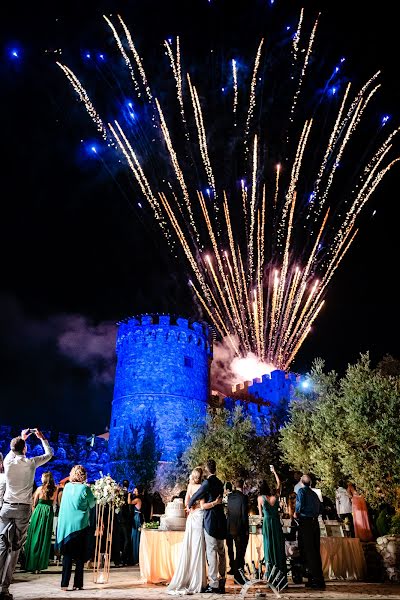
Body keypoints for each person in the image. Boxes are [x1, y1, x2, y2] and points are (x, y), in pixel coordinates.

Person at [0, 428, 53, 600]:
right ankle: (4, 589)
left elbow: (13, 450)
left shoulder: (8, 462)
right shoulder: (31, 463)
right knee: (15, 549)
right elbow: (49, 454)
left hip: (7, 508)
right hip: (22, 509)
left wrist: (21, 438)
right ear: (25, 449)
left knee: (1, 546)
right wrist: (41, 437)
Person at [188, 458, 227, 594]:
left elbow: (197, 495)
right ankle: (223, 580)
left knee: (211, 552)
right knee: (222, 552)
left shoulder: (207, 482)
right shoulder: (220, 483)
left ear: (206, 469)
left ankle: (214, 584)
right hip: (221, 521)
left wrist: (189, 504)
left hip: (210, 521)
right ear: (215, 468)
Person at [167, 466, 207, 595]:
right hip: (200, 516)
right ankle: (198, 581)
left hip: (192, 518)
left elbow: (186, 504)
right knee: (198, 548)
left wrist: (191, 507)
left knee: (189, 547)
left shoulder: (190, 487)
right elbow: (202, 504)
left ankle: (188, 578)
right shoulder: (203, 487)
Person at [56, 464, 96, 591]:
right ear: (84, 476)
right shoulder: (85, 489)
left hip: (67, 528)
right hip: (80, 527)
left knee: (67, 556)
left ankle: (64, 584)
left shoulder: (67, 487)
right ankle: (78, 584)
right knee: (79, 557)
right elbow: (92, 503)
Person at [294, 473, 325, 590]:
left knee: (308, 551)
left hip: (305, 522)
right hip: (315, 523)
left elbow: (299, 504)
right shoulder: (314, 494)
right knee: (316, 551)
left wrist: (296, 513)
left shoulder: (301, 491)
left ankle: (314, 580)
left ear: (302, 482)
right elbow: (321, 508)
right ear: (310, 483)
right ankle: (318, 579)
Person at [257, 467, 287, 586]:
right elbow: (279, 484)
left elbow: (260, 516)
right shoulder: (276, 496)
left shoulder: (260, 498)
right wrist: (274, 472)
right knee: (278, 548)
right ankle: (281, 577)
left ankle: (271, 576)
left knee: (269, 548)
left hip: (267, 524)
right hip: (276, 523)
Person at [24, 471, 57, 573]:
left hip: (38, 513)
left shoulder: (39, 489)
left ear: (45, 479)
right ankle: (39, 566)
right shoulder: (55, 490)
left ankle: (32, 564)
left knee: (35, 538)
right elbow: (54, 503)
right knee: (44, 539)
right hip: (48, 513)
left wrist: (34, 515)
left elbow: (34, 504)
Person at [227, 478, 249, 585]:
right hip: (240, 529)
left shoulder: (230, 497)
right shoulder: (244, 498)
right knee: (240, 553)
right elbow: (244, 515)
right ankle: (239, 576)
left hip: (230, 527)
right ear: (243, 485)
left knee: (233, 552)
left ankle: (236, 572)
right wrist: (246, 530)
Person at [128, 485, 144, 565]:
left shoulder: (137, 499)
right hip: (136, 516)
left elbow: (129, 502)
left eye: (135, 491)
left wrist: (128, 495)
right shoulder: (140, 498)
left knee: (135, 537)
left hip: (136, 518)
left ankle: (136, 558)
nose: (134, 492)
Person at [119, 479, 132, 566]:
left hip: (120, 519)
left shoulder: (119, 494)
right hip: (125, 519)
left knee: (122, 539)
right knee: (127, 539)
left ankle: (122, 557)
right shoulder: (128, 494)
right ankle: (124, 558)